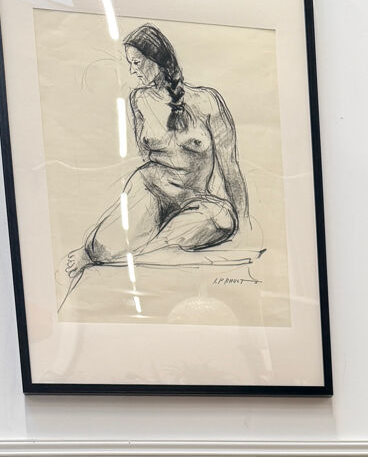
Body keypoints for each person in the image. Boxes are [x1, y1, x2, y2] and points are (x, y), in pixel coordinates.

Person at [65, 23, 250, 282]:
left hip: (202, 200)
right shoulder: (138, 99)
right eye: (130, 64)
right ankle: (109, 250)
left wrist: (243, 219)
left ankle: (142, 250)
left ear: (158, 59)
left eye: (138, 62)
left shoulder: (207, 100)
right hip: (152, 188)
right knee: (101, 249)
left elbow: (230, 166)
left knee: (217, 225)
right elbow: (147, 156)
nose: (133, 70)